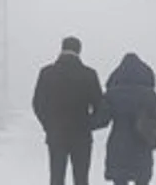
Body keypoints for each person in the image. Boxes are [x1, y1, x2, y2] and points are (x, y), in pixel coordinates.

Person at [33, 36, 105, 185]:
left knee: (56, 178)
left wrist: (48, 125)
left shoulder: (47, 73)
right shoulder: (89, 74)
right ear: (79, 50)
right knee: (81, 179)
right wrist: (88, 124)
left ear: (62, 49)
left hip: (56, 134)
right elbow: (100, 106)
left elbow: (38, 104)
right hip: (81, 135)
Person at [101, 52, 156, 185]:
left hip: (118, 146)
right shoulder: (149, 95)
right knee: (141, 179)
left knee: (119, 180)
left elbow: (103, 119)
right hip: (142, 145)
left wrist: (81, 123)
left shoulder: (112, 94)